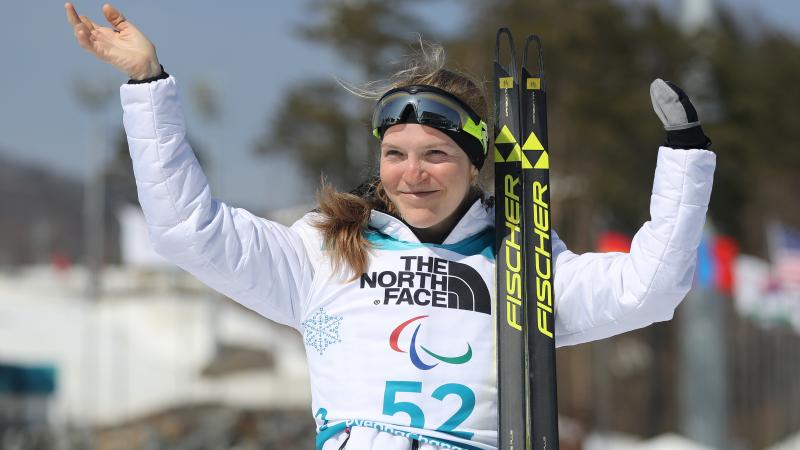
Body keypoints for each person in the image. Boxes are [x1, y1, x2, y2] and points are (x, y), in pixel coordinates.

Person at [65, 3, 716, 450]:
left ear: (472, 163)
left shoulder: (523, 262)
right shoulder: (324, 252)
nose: (414, 175)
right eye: (396, 154)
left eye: (436, 155)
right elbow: (186, 229)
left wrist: (686, 155)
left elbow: (648, 288)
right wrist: (149, 84)